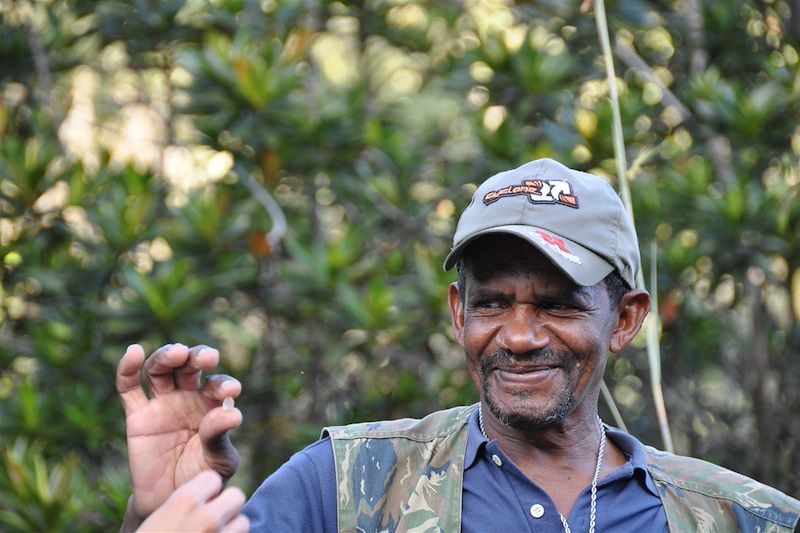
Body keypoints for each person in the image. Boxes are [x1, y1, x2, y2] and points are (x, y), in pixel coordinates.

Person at [118, 158, 800, 532]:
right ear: (458, 313)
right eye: (493, 302)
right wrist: (154, 511)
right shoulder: (344, 487)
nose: (522, 336)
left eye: (558, 304)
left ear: (625, 319)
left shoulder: (742, 517)